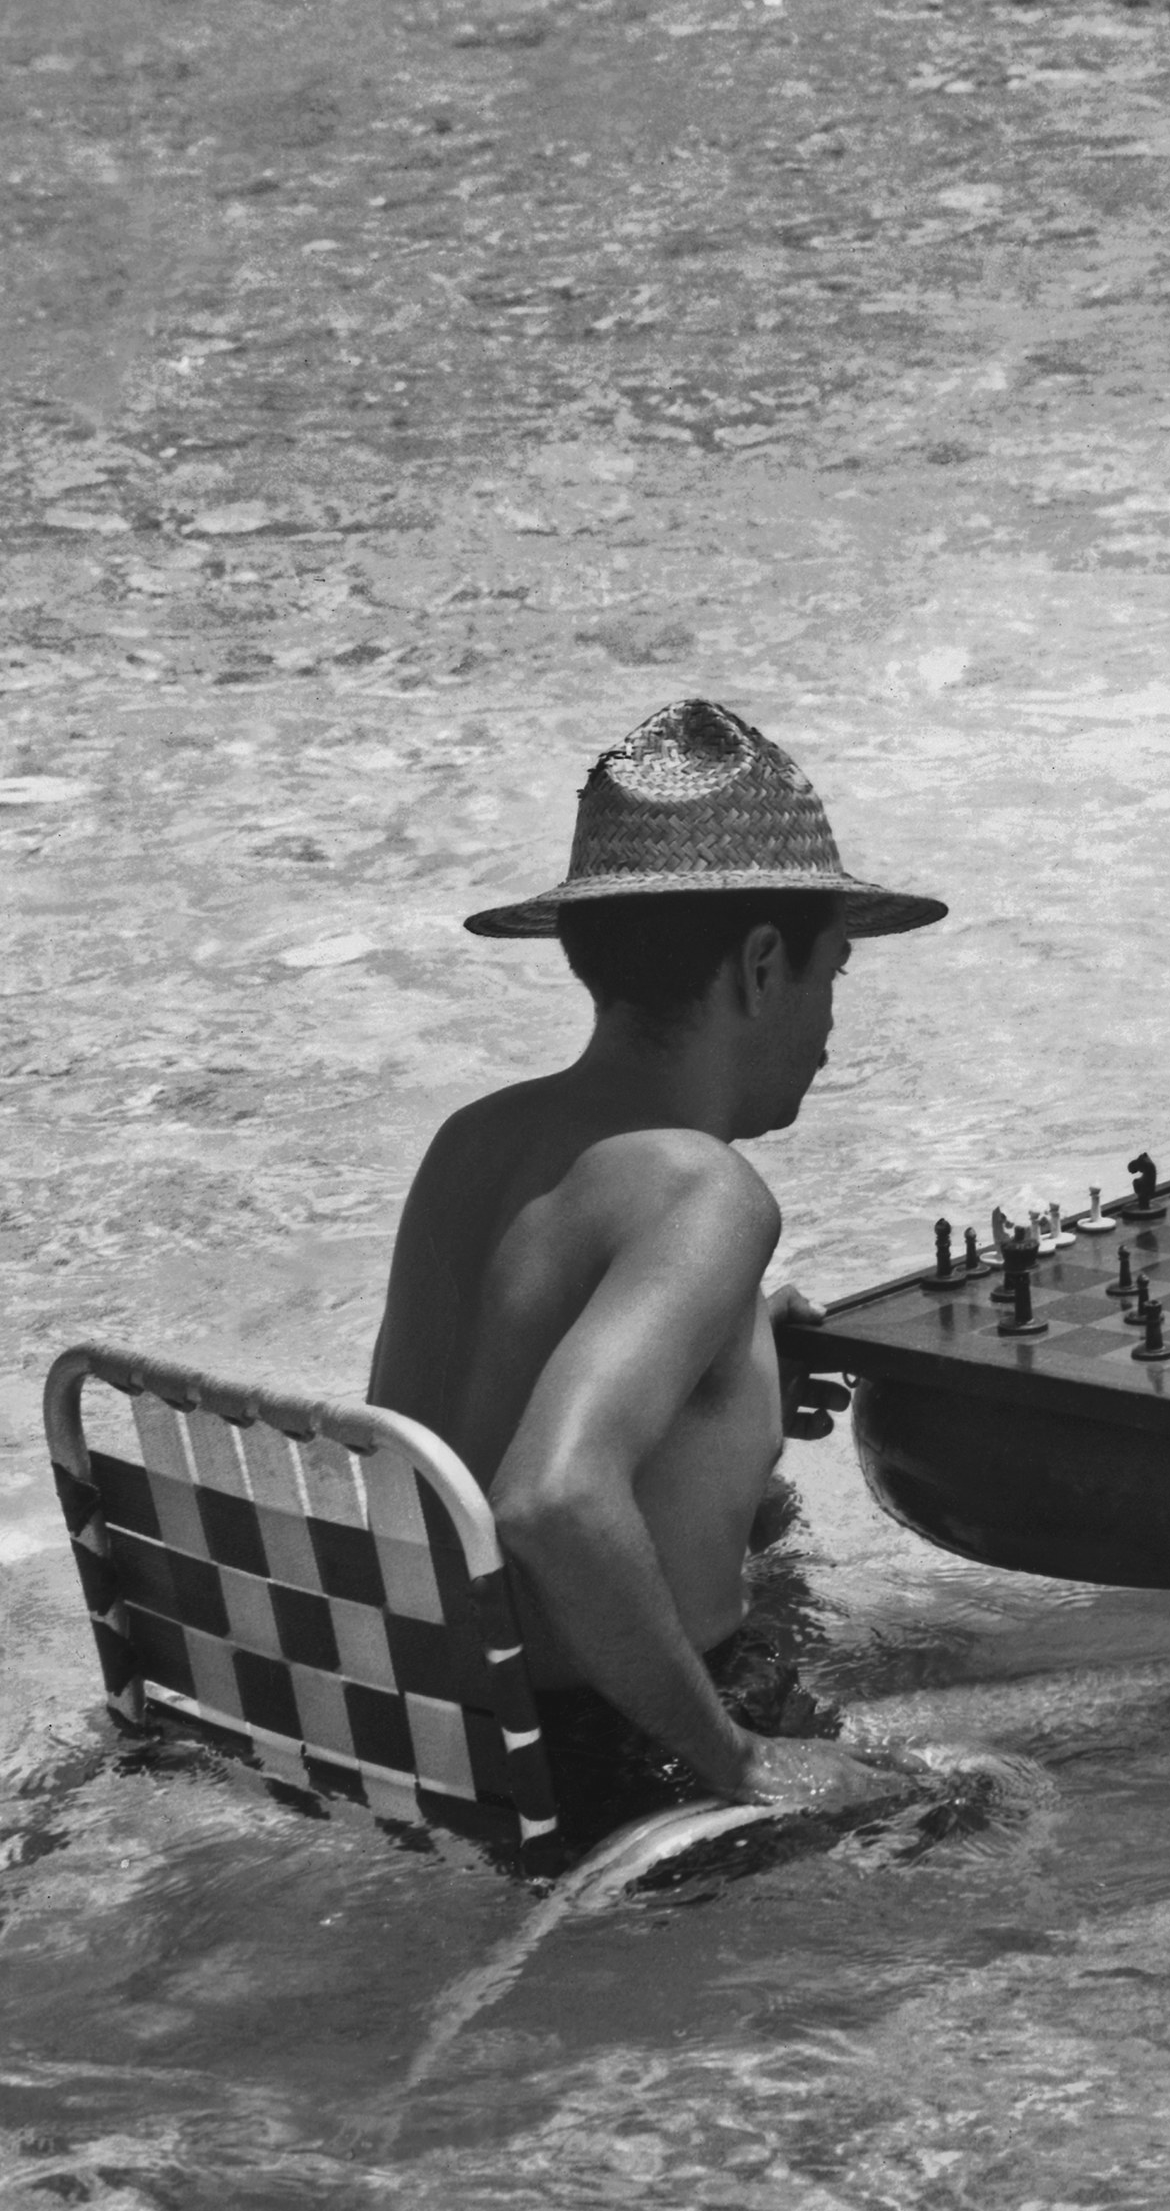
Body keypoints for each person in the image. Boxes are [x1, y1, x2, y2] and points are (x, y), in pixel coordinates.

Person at [370, 698, 945, 1816]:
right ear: (764, 964)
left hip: (446, 1732)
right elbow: (551, 1499)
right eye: (836, 974)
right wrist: (740, 1764)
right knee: (1168, 1727)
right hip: (619, 1768)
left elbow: (478, 1421)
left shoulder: (474, 1139)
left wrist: (718, 1366)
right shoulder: (703, 1189)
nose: (830, 1025)